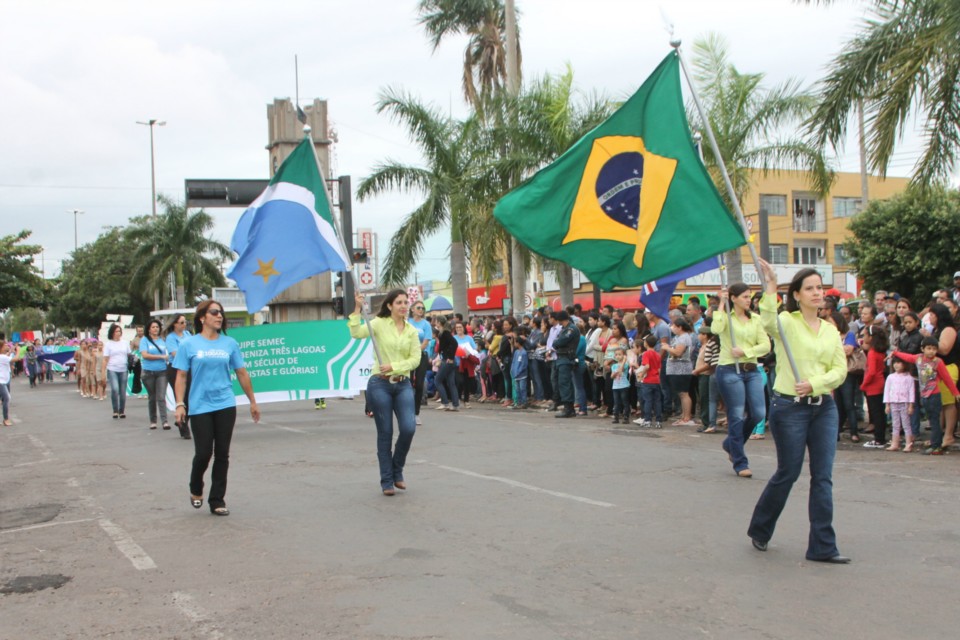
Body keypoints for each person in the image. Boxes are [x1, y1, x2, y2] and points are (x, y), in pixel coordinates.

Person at [748, 261, 850, 564]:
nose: (817, 293)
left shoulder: (831, 330)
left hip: (824, 409)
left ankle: (822, 546)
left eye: (820, 288)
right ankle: (761, 528)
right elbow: (766, 322)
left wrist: (816, 383)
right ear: (797, 294)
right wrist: (771, 285)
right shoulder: (786, 322)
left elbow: (840, 370)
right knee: (788, 472)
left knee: (823, 477)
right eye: (810, 288)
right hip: (789, 407)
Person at [174, 300, 259, 515]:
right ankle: (196, 486)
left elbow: (241, 372)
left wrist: (252, 401)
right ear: (202, 318)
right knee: (203, 453)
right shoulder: (189, 345)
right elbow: (181, 376)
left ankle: (217, 500)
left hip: (225, 403)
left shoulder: (229, 343)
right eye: (214, 312)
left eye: (221, 313)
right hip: (200, 405)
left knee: (222, 454)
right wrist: (180, 404)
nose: (219, 316)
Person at [349, 290, 420, 496]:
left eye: (406, 302)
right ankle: (387, 480)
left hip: (403, 383)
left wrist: (395, 366)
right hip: (379, 384)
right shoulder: (379, 324)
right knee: (385, 432)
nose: (403, 305)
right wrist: (357, 309)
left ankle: (397, 470)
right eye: (399, 302)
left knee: (408, 428)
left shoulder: (411, 331)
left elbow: (415, 359)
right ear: (390, 305)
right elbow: (355, 333)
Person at [712, 283, 771, 477]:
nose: (748, 300)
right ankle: (740, 461)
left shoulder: (756, 319)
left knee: (758, 412)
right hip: (729, 369)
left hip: (751, 369)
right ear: (733, 298)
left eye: (749, 296)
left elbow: (765, 346)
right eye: (744, 296)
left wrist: (746, 351)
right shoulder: (726, 319)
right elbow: (715, 328)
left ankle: (730, 444)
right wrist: (721, 303)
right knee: (736, 415)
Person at [892, 338, 960, 455]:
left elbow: (947, 378)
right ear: (922, 349)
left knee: (935, 421)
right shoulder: (918, 358)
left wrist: (955, 393)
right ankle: (935, 444)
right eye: (928, 348)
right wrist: (895, 353)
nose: (931, 351)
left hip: (934, 395)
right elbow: (908, 357)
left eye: (934, 349)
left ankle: (936, 446)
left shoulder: (938, 362)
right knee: (932, 420)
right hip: (924, 395)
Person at [859, 324, 890, 449]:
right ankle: (880, 438)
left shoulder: (872, 352)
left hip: (873, 385)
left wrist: (864, 384)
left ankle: (879, 439)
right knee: (880, 413)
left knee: (876, 413)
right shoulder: (879, 350)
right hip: (880, 382)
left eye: (865, 335)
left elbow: (871, 372)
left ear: (871, 337)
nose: (863, 337)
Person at [662, 317, 696, 426]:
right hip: (676, 369)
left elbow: (678, 352)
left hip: (681, 369)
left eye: (674, 326)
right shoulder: (679, 337)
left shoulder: (683, 338)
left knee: (684, 393)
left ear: (680, 327)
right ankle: (684, 416)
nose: (672, 328)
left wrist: (667, 348)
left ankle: (687, 417)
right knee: (681, 394)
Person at [140, 319, 170, 431]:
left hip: (162, 371)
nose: (155, 329)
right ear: (149, 329)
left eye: (157, 327)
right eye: (153, 327)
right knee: (152, 397)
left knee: (161, 397)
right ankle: (153, 421)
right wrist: (161, 357)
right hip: (149, 372)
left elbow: (167, 353)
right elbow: (145, 355)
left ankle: (165, 421)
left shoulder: (163, 340)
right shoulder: (145, 340)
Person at [165, 314, 193, 439]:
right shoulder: (171, 338)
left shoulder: (188, 335)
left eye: (185, 322)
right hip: (175, 369)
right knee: (181, 397)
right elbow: (175, 353)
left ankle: (182, 420)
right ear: (175, 324)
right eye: (181, 322)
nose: (184, 324)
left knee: (190, 397)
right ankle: (184, 427)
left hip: (188, 368)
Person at [883, 356, 916, 452]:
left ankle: (908, 444)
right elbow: (887, 391)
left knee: (906, 424)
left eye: (899, 362)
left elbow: (911, 392)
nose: (896, 365)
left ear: (905, 364)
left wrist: (910, 405)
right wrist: (887, 405)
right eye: (895, 362)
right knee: (895, 424)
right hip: (893, 402)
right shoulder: (890, 377)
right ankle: (895, 443)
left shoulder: (909, 378)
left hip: (904, 403)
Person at [552, 311, 580, 418]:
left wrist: (556, 342)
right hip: (562, 358)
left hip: (566, 358)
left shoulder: (570, 329)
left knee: (564, 383)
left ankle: (568, 408)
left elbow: (559, 342)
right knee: (564, 383)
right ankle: (569, 408)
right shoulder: (565, 329)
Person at [408, 300, 432, 426]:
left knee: (419, 384)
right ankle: (407, 411)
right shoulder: (407, 322)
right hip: (408, 356)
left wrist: (417, 351)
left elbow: (426, 341)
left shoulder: (426, 324)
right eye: (418, 307)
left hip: (421, 355)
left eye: (423, 308)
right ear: (412, 309)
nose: (421, 310)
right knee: (408, 383)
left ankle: (416, 413)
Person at [633, 334, 663, 428]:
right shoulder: (657, 354)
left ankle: (647, 420)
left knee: (648, 401)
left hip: (648, 380)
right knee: (657, 401)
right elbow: (659, 369)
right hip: (656, 380)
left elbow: (647, 366)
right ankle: (658, 421)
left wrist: (641, 374)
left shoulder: (646, 353)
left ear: (646, 343)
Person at [103, 324, 131, 419]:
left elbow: (129, 355)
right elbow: (105, 359)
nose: (118, 333)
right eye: (116, 331)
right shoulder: (108, 344)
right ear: (112, 333)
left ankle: (121, 410)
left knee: (122, 391)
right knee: (115, 389)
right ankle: (115, 410)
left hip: (123, 368)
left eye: (119, 331)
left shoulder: (125, 343)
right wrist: (103, 371)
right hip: (112, 368)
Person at [433, 316, 459, 412]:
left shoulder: (445, 333)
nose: (435, 323)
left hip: (447, 360)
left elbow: (454, 343)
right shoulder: (442, 333)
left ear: (439, 322)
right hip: (447, 360)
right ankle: (455, 405)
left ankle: (445, 403)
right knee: (451, 383)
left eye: (436, 321)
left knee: (437, 380)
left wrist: (451, 357)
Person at [0, 343, 21, 426]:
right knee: (7, 398)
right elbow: (15, 359)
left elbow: (8, 358)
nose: (7, 346)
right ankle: (6, 419)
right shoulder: (2, 357)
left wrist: (11, 351)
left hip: (4, 380)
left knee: (4, 398)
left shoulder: (3, 356)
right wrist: (18, 351)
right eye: (5, 345)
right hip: (1, 381)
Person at [610, 346, 630, 424]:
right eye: (616, 355)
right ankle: (616, 416)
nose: (618, 356)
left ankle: (626, 416)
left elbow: (621, 369)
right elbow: (612, 376)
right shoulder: (613, 366)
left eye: (620, 354)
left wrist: (624, 360)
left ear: (624, 355)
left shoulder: (625, 365)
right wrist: (614, 373)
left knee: (625, 401)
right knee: (616, 402)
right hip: (615, 386)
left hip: (624, 385)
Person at [509, 333, 529, 409]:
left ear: (518, 343)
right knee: (517, 389)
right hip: (515, 374)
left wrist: (518, 372)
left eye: (515, 342)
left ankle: (524, 402)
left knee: (522, 388)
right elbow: (514, 362)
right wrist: (512, 370)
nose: (514, 344)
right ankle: (519, 402)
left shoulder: (524, 352)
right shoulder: (516, 352)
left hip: (522, 375)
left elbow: (524, 365)